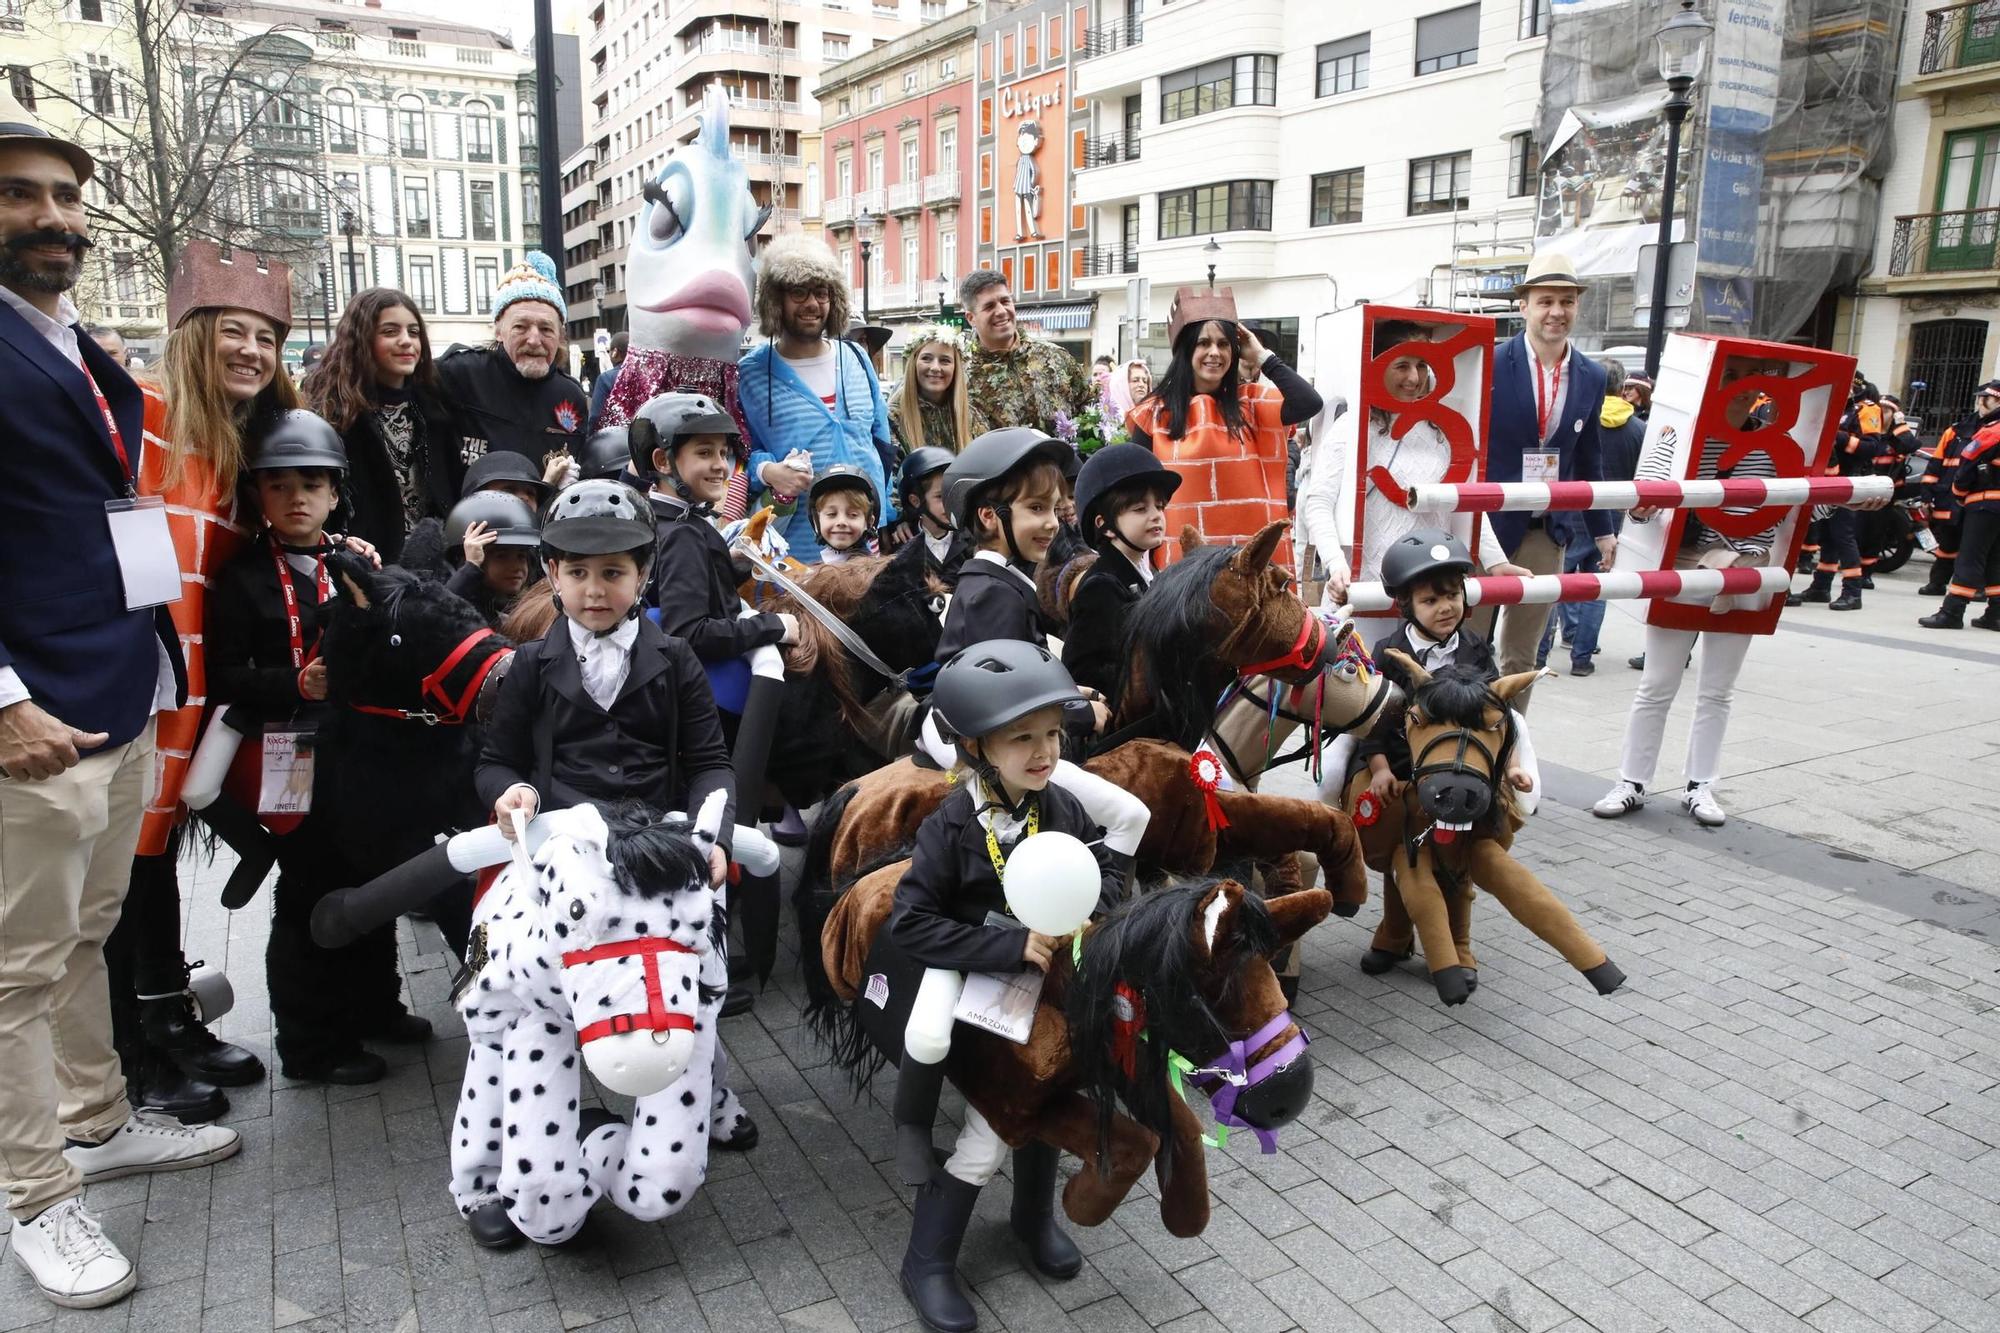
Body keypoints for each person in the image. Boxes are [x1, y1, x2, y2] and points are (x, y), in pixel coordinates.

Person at [0, 95, 239, 1310]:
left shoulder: (69, 337)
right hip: (33, 718)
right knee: (14, 971)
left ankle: (97, 1121)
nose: (51, 217)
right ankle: (38, 1200)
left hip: (121, 688)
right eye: (19, 193)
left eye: (64, 196)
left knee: (82, 939)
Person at [890, 640, 1128, 1331]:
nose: (1044, 749)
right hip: (971, 971)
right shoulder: (952, 825)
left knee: (1058, 1084)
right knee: (989, 1124)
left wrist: (1096, 900)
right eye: (1021, 737)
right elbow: (913, 921)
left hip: (1042, 977)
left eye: (1052, 732)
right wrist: (1004, 942)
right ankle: (927, 1258)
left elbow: (1105, 868)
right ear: (976, 745)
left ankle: (1030, 1217)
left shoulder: (1059, 807)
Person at [117, 239, 301, 1127]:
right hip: (135, 683)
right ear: (193, 334)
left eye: (268, 337)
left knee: (152, 860)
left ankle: (166, 1014)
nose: (253, 353)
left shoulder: (244, 450)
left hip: (201, 689)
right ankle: (129, 1051)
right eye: (236, 331)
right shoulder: (142, 420)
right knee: (119, 866)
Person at [207, 411, 407, 1084]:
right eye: (278, 484)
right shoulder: (239, 579)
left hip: (359, 750)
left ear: (334, 491)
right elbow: (222, 674)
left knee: (372, 882)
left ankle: (377, 1003)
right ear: (256, 495)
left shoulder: (356, 560)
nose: (297, 498)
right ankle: (312, 1043)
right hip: (285, 751)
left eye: (312, 483)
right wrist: (293, 679)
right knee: (306, 897)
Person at [1593, 357, 1849, 827]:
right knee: (1656, 684)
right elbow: (1643, 508)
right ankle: (1631, 780)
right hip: (1686, 567)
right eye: (1729, 376)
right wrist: (1648, 508)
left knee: (1717, 690)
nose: (1738, 387)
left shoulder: (1781, 444)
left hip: (1747, 570)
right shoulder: (1681, 438)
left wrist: (1851, 495)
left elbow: (1808, 508)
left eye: (1749, 378)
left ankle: (1701, 784)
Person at [477, 478, 737, 860]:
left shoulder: (678, 658)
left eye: (612, 573)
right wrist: (514, 792)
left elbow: (710, 763)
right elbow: (497, 762)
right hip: (558, 845)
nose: (594, 590)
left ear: (643, 573)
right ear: (553, 572)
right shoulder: (531, 663)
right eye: (578, 573)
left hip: (657, 841)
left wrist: (713, 836)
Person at [1300, 320, 1524, 600]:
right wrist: (1335, 564)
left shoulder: (1442, 429)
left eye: (1421, 365)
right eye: (1402, 365)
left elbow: (1463, 498)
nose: (1414, 378)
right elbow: (1319, 502)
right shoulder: (1351, 427)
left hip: (1433, 585)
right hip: (1365, 585)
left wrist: (1496, 562)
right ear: (1377, 366)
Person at [1480, 254, 1616, 701]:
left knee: (1523, 655)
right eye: (1545, 301)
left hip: (1546, 529)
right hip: (1488, 527)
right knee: (1469, 645)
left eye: (1566, 301)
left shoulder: (1592, 375)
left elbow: (1588, 456)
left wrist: (1603, 531)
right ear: (1524, 306)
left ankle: (1511, 746)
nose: (1556, 311)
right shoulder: (1491, 363)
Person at [1126, 285, 1322, 566]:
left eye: (1223, 343)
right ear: (1186, 349)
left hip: (1251, 569)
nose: (1215, 352)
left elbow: (1309, 402)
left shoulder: (1254, 404)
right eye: (1204, 343)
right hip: (1184, 573)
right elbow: (1135, 491)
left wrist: (1262, 356)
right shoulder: (1155, 413)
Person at [1355, 529, 1538, 824]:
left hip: (1463, 756)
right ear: (1406, 605)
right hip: (1400, 753)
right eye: (1430, 601)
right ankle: (1332, 826)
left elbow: (1497, 709)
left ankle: (1519, 787)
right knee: (1335, 767)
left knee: (1517, 720)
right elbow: (1372, 721)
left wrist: (1510, 765)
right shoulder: (1388, 651)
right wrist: (1379, 768)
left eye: (1453, 595)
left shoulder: (1475, 647)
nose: (1446, 608)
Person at [738, 235, 895, 561]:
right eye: (798, 292)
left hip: (864, 538)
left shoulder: (856, 357)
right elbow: (737, 457)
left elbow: (881, 442)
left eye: (821, 293)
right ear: (775, 300)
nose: (812, 304)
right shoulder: (751, 374)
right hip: (796, 545)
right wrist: (768, 470)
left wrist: (886, 513)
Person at [632, 392, 800, 662]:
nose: (721, 465)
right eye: (705, 452)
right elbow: (690, 633)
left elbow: (700, 588)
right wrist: (774, 626)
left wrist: (737, 563)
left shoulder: (662, 518)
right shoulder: (682, 534)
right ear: (663, 461)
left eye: (723, 453)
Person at [305, 287, 466, 563]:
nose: (406, 342)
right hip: (370, 566)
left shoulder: (436, 406)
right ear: (362, 340)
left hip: (435, 566)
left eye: (414, 333)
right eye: (390, 332)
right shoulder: (336, 415)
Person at [435, 252, 588, 473]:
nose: (534, 340)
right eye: (520, 327)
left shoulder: (571, 396)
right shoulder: (459, 374)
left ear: (560, 336)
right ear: (499, 331)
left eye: (546, 329)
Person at [1059, 444, 1180, 698]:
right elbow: (1082, 671)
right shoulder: (1101, 587)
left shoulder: (1147, 574)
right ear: (1105, 525)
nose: (1156, 516)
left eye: (1159, 506)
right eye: (1140, 509)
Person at [960, 270, 1093, 439]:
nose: (1001, 311)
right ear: (971, 318)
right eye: (989, 306)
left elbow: (1090, 405)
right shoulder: (963, 378)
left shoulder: (1054, 356)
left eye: (1005, 301)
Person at [1919, 393, 2000, 630]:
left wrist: (1958, 493)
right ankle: (1996, 614)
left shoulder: (1992, 430)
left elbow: (1967, 464)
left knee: (1969, 557)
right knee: (1996, 560)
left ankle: (1952, 612)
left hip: (1985, 502)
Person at [442, 491, 541, 629]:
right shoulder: (459, 609)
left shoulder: (530, 610)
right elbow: (439, 616)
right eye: (501, 556)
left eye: (521, 556)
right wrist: (470, 568)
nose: (516, 566)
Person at [889, 323, 972, 456]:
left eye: (945, 360)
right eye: (926, 358)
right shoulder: (893, 419)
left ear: (956, 368)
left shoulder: (970, 415)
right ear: (914, 363)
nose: (935, 367)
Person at [809, 465, 880, 563]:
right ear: (816, 520)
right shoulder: (821, 565)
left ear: (869, 522)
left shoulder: (873, 574)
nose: (841, 522)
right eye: (831, 514)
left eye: (853, 515)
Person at [587, 330, 629, 432]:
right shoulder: (646, 377)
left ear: (615, 352)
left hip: (614, 440)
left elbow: (596, 417)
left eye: (609, 351)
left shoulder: (606, 378)